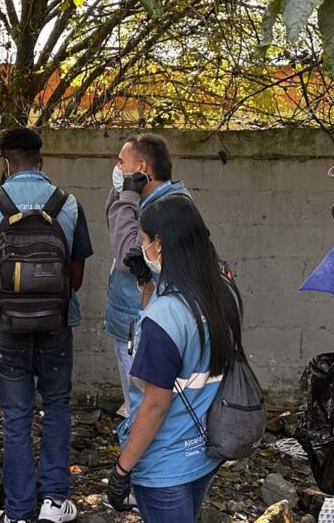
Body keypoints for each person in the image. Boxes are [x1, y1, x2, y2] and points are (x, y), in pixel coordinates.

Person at [0, 127, 93, 523]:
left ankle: (17, 511)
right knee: (57, 405)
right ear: (42, 161)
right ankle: (54, 501)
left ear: (5, 162)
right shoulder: (67, 204)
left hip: (4, 326)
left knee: (15, 416)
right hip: (56, 325)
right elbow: (77, 278)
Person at [106, 195, 240, 523]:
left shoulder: (164, 318)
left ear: (160, 245)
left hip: (165, 462)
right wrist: (147, 288)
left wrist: (122, 469)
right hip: (205, 451)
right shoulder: (224, 292)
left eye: (144, 240)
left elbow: (155, 404)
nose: (143, 247)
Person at [105, 133, 189, 419]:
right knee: (137, 405)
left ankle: (135, 462)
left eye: (121, 162)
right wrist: (123, 195)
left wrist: (126, 196)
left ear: (141, 168)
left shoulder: (166, 208)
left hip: (143, 326)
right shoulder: (146, 201)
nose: (116, 169)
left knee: (144, 411)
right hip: (132, 320)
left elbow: (129, 255)